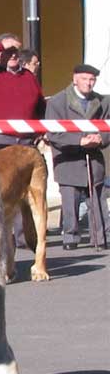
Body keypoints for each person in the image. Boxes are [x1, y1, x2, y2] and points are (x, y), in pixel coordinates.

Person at [45, 64, 110, 250]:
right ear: (75, 79)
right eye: (85, 79)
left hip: (94, 158)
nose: (89, 84)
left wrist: (101, 138)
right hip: (68, 159)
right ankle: (70, 238)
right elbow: (53, 133)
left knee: (97, 199)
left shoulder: (103, 101)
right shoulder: (57, 102)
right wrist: (79, 141)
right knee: (69, 200)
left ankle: (101, 236)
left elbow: (107, 127)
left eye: (92, 80)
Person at [0, 44, 46, 152]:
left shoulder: (28, 76)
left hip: (26, 141)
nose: (13, 55)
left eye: (15, 51)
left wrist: (40, 133)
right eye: (8, 51)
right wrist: (1, 45)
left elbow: (41, 108)